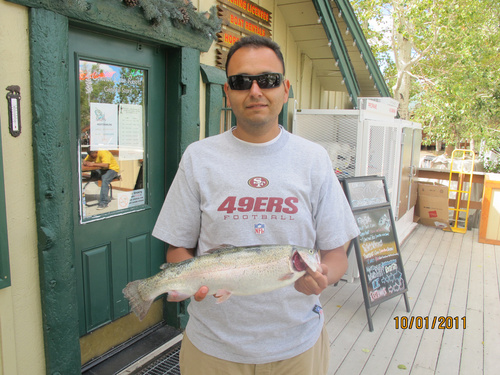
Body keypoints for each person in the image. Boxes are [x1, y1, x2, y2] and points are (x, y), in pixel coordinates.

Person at [152, 35, 360, 374]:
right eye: (240, 82)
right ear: (227, 92)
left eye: (267, 80)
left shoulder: (314, 159)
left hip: (296, 347)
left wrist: (324, 276)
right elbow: (177, 248)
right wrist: (194, 279)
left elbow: (337, 252)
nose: (255, 91)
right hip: (212, 348)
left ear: (285, 89)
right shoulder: (198, 158)